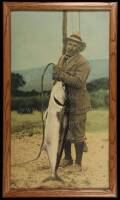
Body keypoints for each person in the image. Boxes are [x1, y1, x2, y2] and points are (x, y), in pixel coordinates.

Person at [52, 32, 91, 170]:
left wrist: (60, 75)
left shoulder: (83, 62)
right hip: (64, 102)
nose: (71, 47)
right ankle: (68, 158)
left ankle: (78, 164)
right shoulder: (62, 58)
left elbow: (79, 82)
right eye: (70, 44)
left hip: (78, 104)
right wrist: (55, 75)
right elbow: (58, 78)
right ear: (66, 44)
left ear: (79, 48)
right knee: (65, 131)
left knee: (78, 133)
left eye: (75, 45)